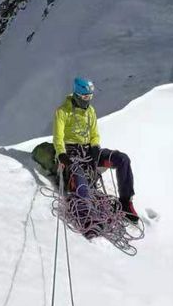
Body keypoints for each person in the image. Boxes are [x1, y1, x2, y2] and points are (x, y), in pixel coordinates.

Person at [54, 77, 139, 223]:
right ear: (77, 95)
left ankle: (126, 202)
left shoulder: (90, 111)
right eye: (85, 97)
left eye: (90, 96)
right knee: (79, 174)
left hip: (89, 150)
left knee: (122, 159)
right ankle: (85, 213)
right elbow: (58, 137)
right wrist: (61, 154)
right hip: (71, 152)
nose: (88, 100)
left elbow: (94, 134)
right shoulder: (62, 112)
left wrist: (94, 146)